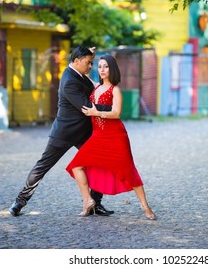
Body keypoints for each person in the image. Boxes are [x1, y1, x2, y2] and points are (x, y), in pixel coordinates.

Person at [9, 46, 114, 216]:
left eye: (92, 63)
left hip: (84, 133)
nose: (90, 66)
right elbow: (87, 107)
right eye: (88, 63)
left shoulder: (79, 74)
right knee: (42, 167)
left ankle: (96, 203)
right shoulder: (69, 80)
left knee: (99, 162)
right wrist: (112, 108)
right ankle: (19, 202)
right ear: (77, 61)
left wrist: (88, 53)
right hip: (64, 133)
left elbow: (95, 89)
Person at [66, 54, 156, 220]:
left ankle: (145, 206)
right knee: (75, 166)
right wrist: (88, 55)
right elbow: (81, 73)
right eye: (99, 66)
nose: (102, 70)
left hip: (115, 136)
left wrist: (96, 112)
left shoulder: (115, 90)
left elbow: (116, 113)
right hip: (98, 137)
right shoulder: (95, 88)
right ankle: (88, 201)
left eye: (106, 66)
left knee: (127, 170)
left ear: (112, 69)